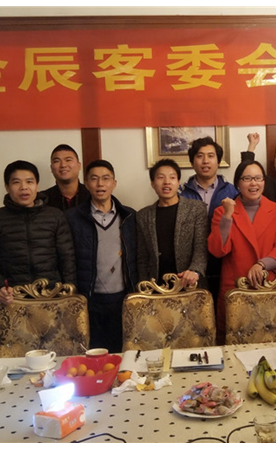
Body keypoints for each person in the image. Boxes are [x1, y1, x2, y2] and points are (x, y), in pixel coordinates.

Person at [207, 160, 276, 341]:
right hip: (236, 287)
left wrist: (262, 264)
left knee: (270, 340)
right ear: (238, 183)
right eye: (247, 178)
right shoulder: (222, 212)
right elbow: (217, 250)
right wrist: (227, 216)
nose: (254, 183)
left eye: (258, 178)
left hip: (267, 285)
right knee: (235, 342)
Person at [0, 160, 77, 306]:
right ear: (7, 187)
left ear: (37, 185)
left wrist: (69, 293)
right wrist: (0, 287)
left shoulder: (55, 216)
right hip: (13, 298)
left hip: (51, 296)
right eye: (16, 182)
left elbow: (67, 258)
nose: (23, 187)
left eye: (29, 182)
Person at [66, 160, 138, 352]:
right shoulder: (72, 218)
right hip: (89, 300)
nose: (100, 184)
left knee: (123, 352)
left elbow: (137, 257)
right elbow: (67, 259)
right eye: (94, 179)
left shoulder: (129, 216)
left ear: (114, 183)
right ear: (87, 183)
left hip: (123, 299)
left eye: (106, 179)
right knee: (92, 353)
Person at [180, 136, 239, 303]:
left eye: (211, 156)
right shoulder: (181, 193)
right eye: (200, 156)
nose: (205, 161)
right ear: (192, 162)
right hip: (191, 266)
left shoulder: (233, 192)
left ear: (218, 161)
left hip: (225, 262)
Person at [137, 159, 208, 288]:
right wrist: (144, 285)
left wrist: (194, 271)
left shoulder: (196, 209)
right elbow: (142, 256)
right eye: (160, 177)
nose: (167, 182)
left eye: (172, 177)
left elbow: (201, 247)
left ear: (178, 182)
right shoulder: (143, 215)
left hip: (189, 283)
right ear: (152, 183)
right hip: (155, 286)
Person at [42, 144, 90, 211]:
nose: (63, 165)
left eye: (68, 160)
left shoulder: (91, 196)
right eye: (57, 161)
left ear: (79, 165)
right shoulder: (42, 199)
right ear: (51, 168)